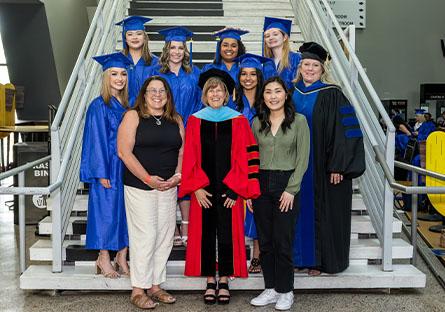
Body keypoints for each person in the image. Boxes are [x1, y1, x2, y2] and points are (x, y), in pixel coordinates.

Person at [178, 68, 260, 305]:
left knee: (227, 233)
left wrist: (236, 189)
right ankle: (209, 280)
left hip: (230, 189)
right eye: (211, 90)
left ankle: (224, 278)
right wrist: (195, 188)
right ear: (204, 94)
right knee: (205, 234)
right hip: (202, 188)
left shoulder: (239, 120)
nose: (215, 94)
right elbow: (189, 157)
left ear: (226, 95)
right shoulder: (194, 120)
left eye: (220, 90)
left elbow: (247, 157)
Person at [291, 42, 365, 275]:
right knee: (295, 212)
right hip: (294, 165)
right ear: (299, 67)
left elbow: (347, 132)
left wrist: (338, 166)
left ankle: (321, 261)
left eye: (315, 65)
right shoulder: (289, 92)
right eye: (306, 64)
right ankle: (299, 258)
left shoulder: (333, 94)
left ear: (323, 69)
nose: (310, 69)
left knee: (324, 213)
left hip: (324, 168)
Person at [117, 76, 184, 309]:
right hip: (140, 186)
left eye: (162, 91)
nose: (157, 95)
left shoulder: (175, 119)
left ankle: (155, 286)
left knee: (164, 236)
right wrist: (147, 178)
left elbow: (182, 152)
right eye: (152, 91)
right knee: (144, 236)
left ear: (168, 95)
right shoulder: (133, 116)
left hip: (168, 186)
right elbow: (124, 152)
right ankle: (138, 289)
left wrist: (177, 176)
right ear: (144, 94)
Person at [249, 77, 310, 311]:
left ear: (286, 95)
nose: (273, 96)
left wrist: (291, 189)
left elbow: (302, 158)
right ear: (263, 97)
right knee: (265, 241)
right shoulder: (257, 123)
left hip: (287, 184)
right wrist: (252, 190)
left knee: (282, 240)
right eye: (268, 92)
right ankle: (271, 288)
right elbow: (252, 159)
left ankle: (286, 290)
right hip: (261, 184)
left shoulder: (299, 122)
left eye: (277, 91)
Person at [146, 26, 202, 247]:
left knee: (186, 175)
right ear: (166, 50)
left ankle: (186, 225)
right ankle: (174, 226)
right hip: (165, 131)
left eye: (180, 47)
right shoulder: (157, 75)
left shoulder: (194, 73)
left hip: (190, 129)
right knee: (168, 174)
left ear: (185, 50)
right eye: (173, 47)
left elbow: (200, 101)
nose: (177, 51)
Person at [80, 52, 132, 279]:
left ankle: (121, 254)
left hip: (125, 166)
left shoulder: (126, 104)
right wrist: (100, 172)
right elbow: (96, 140)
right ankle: (103, 257)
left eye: (123, 73)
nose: (119, 78)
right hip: (108, 167)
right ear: (105, 77)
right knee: (105, 213)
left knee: (125, 212)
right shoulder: (99, 105)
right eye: (114, 74)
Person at [233, 53, 269, 274]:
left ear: (259, 77)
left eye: (252, 74)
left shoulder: (266, 102)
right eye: (244, 74)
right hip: (237, 161)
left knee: (257, 207)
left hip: (261, 160)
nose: (248, 78)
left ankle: (257, 254)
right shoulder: (233, 102)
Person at [116, 16, 158, 103]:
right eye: (130, 34)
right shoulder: (118, 62)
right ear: (125, 39)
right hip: (122, 111)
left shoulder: (155, 63)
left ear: (144, 37)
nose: (134, 37)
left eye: (139, 33)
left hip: (148, 111)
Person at [262, 17, 301, 91]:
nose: (271, 38)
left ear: (285, 37)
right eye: (267, 36)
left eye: (275, 34)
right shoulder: (267, 63)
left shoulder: (296, 58)